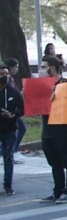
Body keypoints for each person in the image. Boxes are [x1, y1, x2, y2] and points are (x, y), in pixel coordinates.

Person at [39, 56, 67, 203]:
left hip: (62, 130)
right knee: (54, 163)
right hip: (47, 130)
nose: (41, 70)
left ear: (53, 68)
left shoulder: (66, 84)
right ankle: (57, 190)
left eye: (44, 67)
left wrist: (59, 95)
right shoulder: (42, 85)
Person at [0, 63, 24, 196]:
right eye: (1, 74)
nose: (4, 76)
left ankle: (7, 185)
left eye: (6, 74)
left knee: (8, 157)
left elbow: (22, 109)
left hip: (9, 129)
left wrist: (13, 115)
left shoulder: (13, 91)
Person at [3, 58, 26, 164]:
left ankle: (11, 151)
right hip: (9, 112)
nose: (17, 69)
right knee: (21, 128)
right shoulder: (8, 80)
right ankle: (11, 151)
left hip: (12, 112)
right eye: (16, 66)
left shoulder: (10, 80)